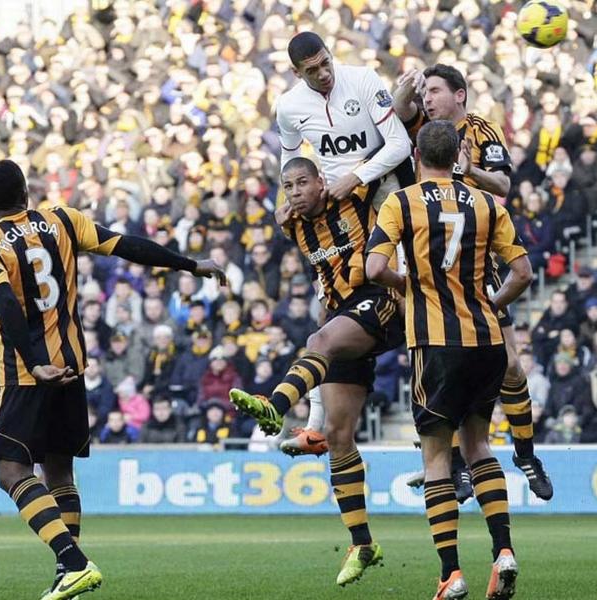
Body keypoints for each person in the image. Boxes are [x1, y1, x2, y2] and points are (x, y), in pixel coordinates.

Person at [0, 160, 224, 600]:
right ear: (27, 193)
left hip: (27, 376)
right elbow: (127, 245)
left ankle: (72, 562)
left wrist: (34, 362)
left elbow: (7, 304)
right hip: (72, 368)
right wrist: (188, 265)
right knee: (60, 472)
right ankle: (67, 572)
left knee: (10, 471)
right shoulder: (63, 220)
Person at [365, 120, 533, 600]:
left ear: (416, 157)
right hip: (487, 342)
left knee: (437, 457)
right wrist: (491, 304)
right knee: (479, 447)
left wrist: (411, 285)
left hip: (435, 343)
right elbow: (522, 273)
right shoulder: (487, 204)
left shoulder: (401, 202)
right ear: (460, 155)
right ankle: (504, 551)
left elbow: (374, 268)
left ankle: (451, 574)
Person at [228, 157, 405, 587]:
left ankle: (275, 405)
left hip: (380, 298)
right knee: (340, 437)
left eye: (302, 183)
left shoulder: (354, 196)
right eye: (288, 186)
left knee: (317, 341)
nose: (295, 192)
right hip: (344, 316)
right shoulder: (293, 225)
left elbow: (384, 155)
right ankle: (362, 543)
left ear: (321, 181)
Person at [393, 63, 552, 500]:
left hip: (478, 261)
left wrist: (469, 172)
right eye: (425, 92)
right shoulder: (424, 129)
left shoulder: (482, 131)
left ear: (460, 94)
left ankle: (525, 454)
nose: (427, 100)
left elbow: (502, 185)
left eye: (435, 91)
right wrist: (406, 87)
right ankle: (456, 464)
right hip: (429, 264)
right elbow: (399, 108)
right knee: (444, 369)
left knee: (512, 367)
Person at [275, 32, 412, 209]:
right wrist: (289, 201)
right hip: (342, 203)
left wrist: (353, 179)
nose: (323, 74)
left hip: (389, 190)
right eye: (312, 70)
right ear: (296, 72)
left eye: (325, 63)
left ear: (329, 53)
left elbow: (400, 144)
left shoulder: (363, 78)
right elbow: (290, 156)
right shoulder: (288, 105)